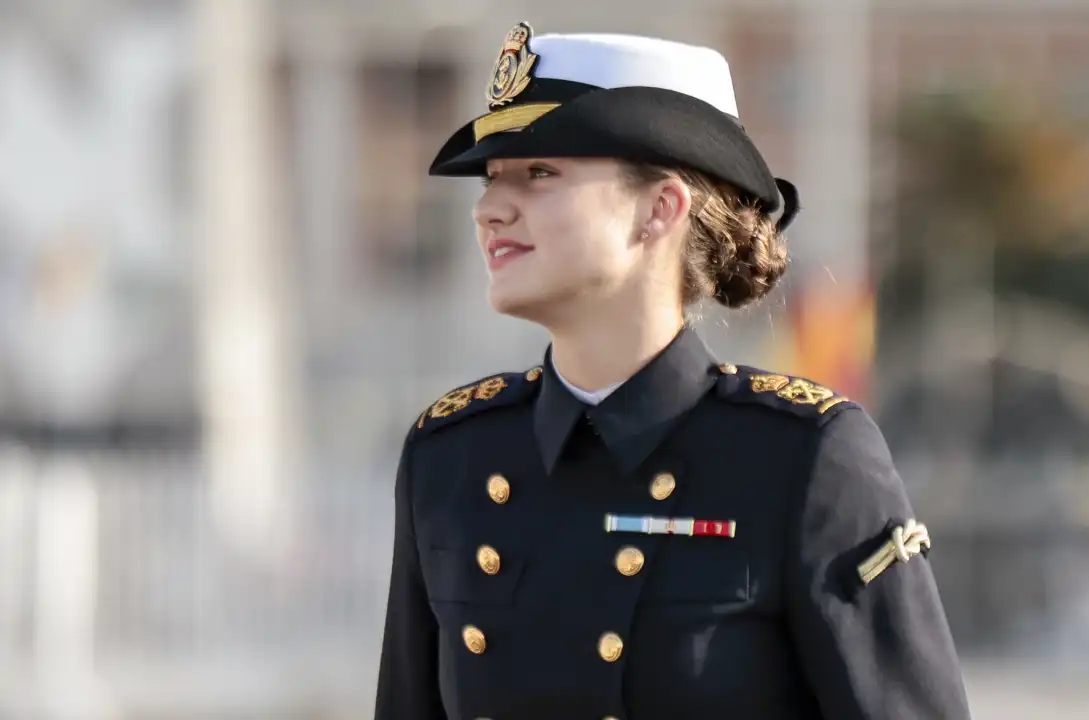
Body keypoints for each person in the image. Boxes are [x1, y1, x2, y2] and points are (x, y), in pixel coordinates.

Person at [374, 21, 971, 720]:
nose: (489, 209)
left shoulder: (803, 458)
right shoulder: (451, 456)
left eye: (539, 174)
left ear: (659, 209)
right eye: (493, 179)